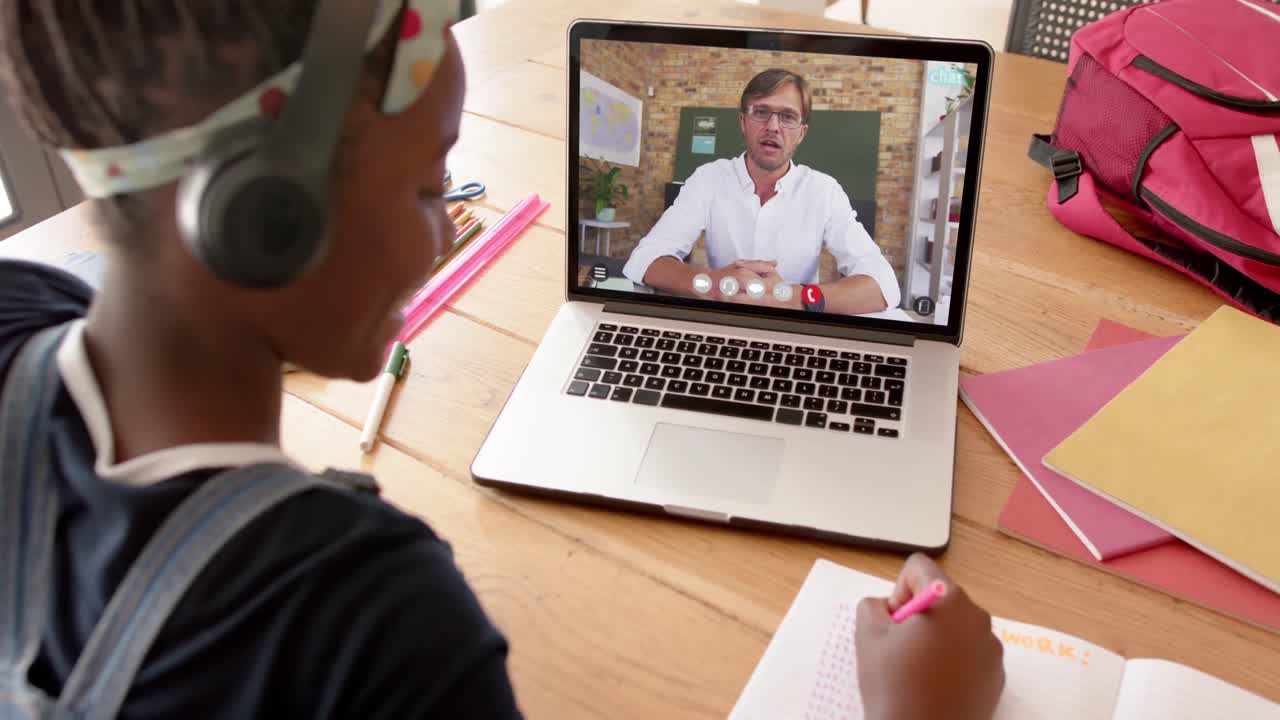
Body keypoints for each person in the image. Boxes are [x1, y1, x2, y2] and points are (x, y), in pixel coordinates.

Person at [0, 3, 1000, 718]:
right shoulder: (377, 626)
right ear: (265, 218)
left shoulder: (18, 309)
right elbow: (651, 264)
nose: (448, 232)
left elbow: (890, 293)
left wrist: (792, 295)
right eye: (431, 185)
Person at [621, 68, 901, 316]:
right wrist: (714, 284)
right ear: (743, 122)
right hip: (724, 319)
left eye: (788, 116)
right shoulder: (708, 178)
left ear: (801, 133)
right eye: (761, 112)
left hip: (798, 328)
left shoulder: (824, 191)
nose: (773, 126)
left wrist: (790, 297)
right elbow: (644, 261)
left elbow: (883, 286)